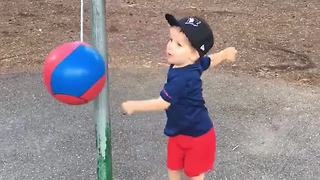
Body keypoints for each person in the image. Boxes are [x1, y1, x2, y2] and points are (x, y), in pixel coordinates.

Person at [121, 13, 237, 180]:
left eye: (178, 44)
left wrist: (134, 106)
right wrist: (225, 54)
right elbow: (209, 60)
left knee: (194, 174)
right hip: (177, 133)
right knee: (173, 169)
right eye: (170, 40)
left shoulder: (183, 79)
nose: (170, 47)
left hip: (198, 136)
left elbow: (162, 103)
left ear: (194, 54)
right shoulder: (190, 63)